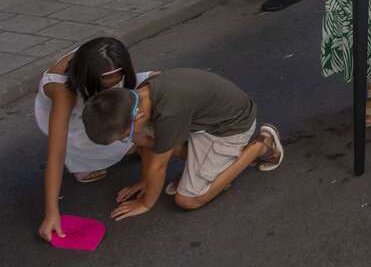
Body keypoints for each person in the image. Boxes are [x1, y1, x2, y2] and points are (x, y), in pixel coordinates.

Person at [81, 69, 283, 216]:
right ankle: (208, 166)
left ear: (138, 117)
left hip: (230, 128)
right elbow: (150, 145)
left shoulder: (169, 113)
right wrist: (145, 180)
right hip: (205, 121)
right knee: (144, 137)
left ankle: (260, 146)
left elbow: (159, 166)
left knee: (186, 199)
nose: (127, 141)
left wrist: (145, 203)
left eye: (125, 135)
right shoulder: (138, 97)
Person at [35, 38, 151, 243]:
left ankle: (95, 157)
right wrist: (51, 213)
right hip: (73, 120)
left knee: (145, 126)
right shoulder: (64, 92)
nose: (115, 85)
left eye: (118, 81)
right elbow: (56, 153)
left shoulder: (107, 56)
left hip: (94, 107)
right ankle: (86, 157)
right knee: (143, 139)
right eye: (107, 85)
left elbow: (123, 90)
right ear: (87, 79)